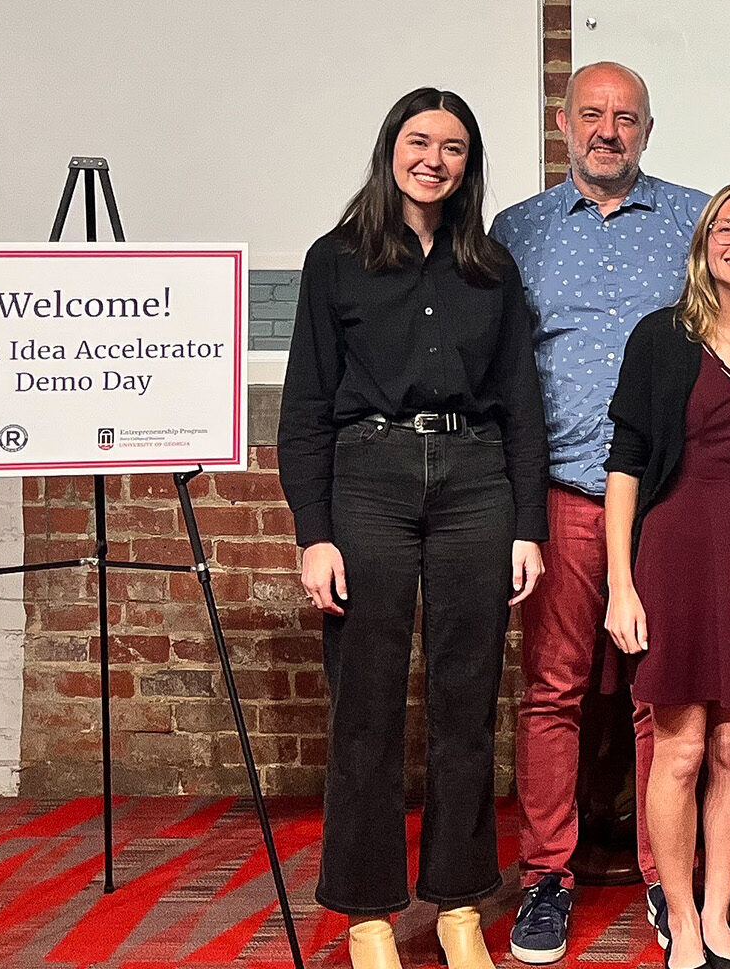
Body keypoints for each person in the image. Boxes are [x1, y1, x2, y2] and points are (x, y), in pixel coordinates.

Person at [279, 87, 548, 969]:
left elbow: (521, 404)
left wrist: (528, 524)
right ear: (390, 147)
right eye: (419, 141)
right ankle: (366, 915)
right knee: (365, 705)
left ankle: (460, 905)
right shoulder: (336, 260)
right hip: (370, 485)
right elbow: (307, 409)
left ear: (471, 165)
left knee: (467, 705)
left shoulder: (492, 269)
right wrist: (313, 531)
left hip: (476, 484)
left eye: (455, 147)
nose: (434, 159)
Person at [490, 62, 711, 964]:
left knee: (666, 698)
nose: (607, 130)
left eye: (625, 117)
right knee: (553, 691)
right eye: (592, 115)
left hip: (671, 501)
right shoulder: (518, 232)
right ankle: (548, 875)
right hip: (566, 495)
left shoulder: (698, 219)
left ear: (648, 130)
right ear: (562, 123)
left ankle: (671, 880)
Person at [602, 182, 730, 969]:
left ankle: (719, 915)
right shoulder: (661, 338)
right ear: (703, 243)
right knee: (679, 749)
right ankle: (680, 920)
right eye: (728, 227)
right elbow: (623, 465)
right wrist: (621, 583)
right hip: (677, 551)